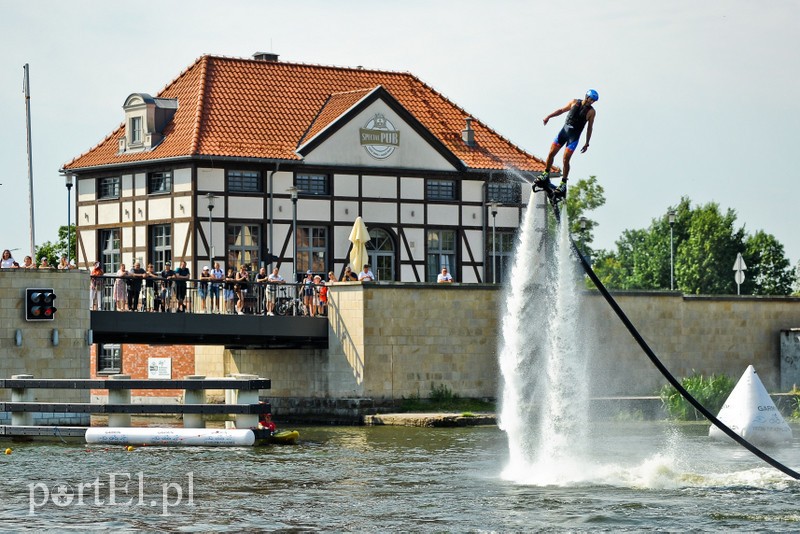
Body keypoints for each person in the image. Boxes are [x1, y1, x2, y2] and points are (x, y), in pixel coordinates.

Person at [535, 89, 598, 199]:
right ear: (586, 96)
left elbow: (589, 127)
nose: (591, 102)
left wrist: (587, 142)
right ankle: (546, 174)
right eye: (590, 99)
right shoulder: (574, 102)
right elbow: (561, 110)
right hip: (563, 133)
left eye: (593, 101)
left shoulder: (591, 112)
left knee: (565, 159)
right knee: (551, 153)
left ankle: (563, 184)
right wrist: (548, 117)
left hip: (573, 138)